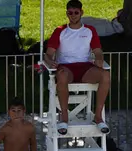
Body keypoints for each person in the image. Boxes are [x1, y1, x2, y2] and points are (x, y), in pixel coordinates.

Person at [43, 0, 111, 136]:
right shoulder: (60, 30)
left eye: (76, 12)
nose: (73, 15)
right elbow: (48, 54)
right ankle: (64, 117)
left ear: (81, 13)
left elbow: (98, 51)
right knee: (62, 75)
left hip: (85, 67)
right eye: (70, 13)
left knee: (105, 75)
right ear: (66, 14)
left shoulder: (90, 30)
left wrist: (99, 59)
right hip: (66, 67)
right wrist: (50, 62)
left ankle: (98, 116)